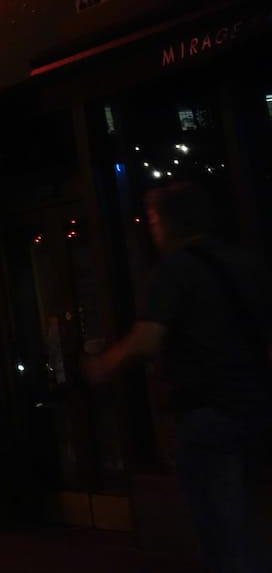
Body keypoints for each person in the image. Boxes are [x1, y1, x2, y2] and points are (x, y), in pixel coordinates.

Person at [83, 181, 272, 573]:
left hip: (207, 411)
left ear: (167, 221)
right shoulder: (247, 263)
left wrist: (104, 364)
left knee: (221, 530)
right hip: (256, 405)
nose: (151, 229)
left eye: (152, 219)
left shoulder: (175, 269)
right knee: (251, 520)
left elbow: (146, 340)